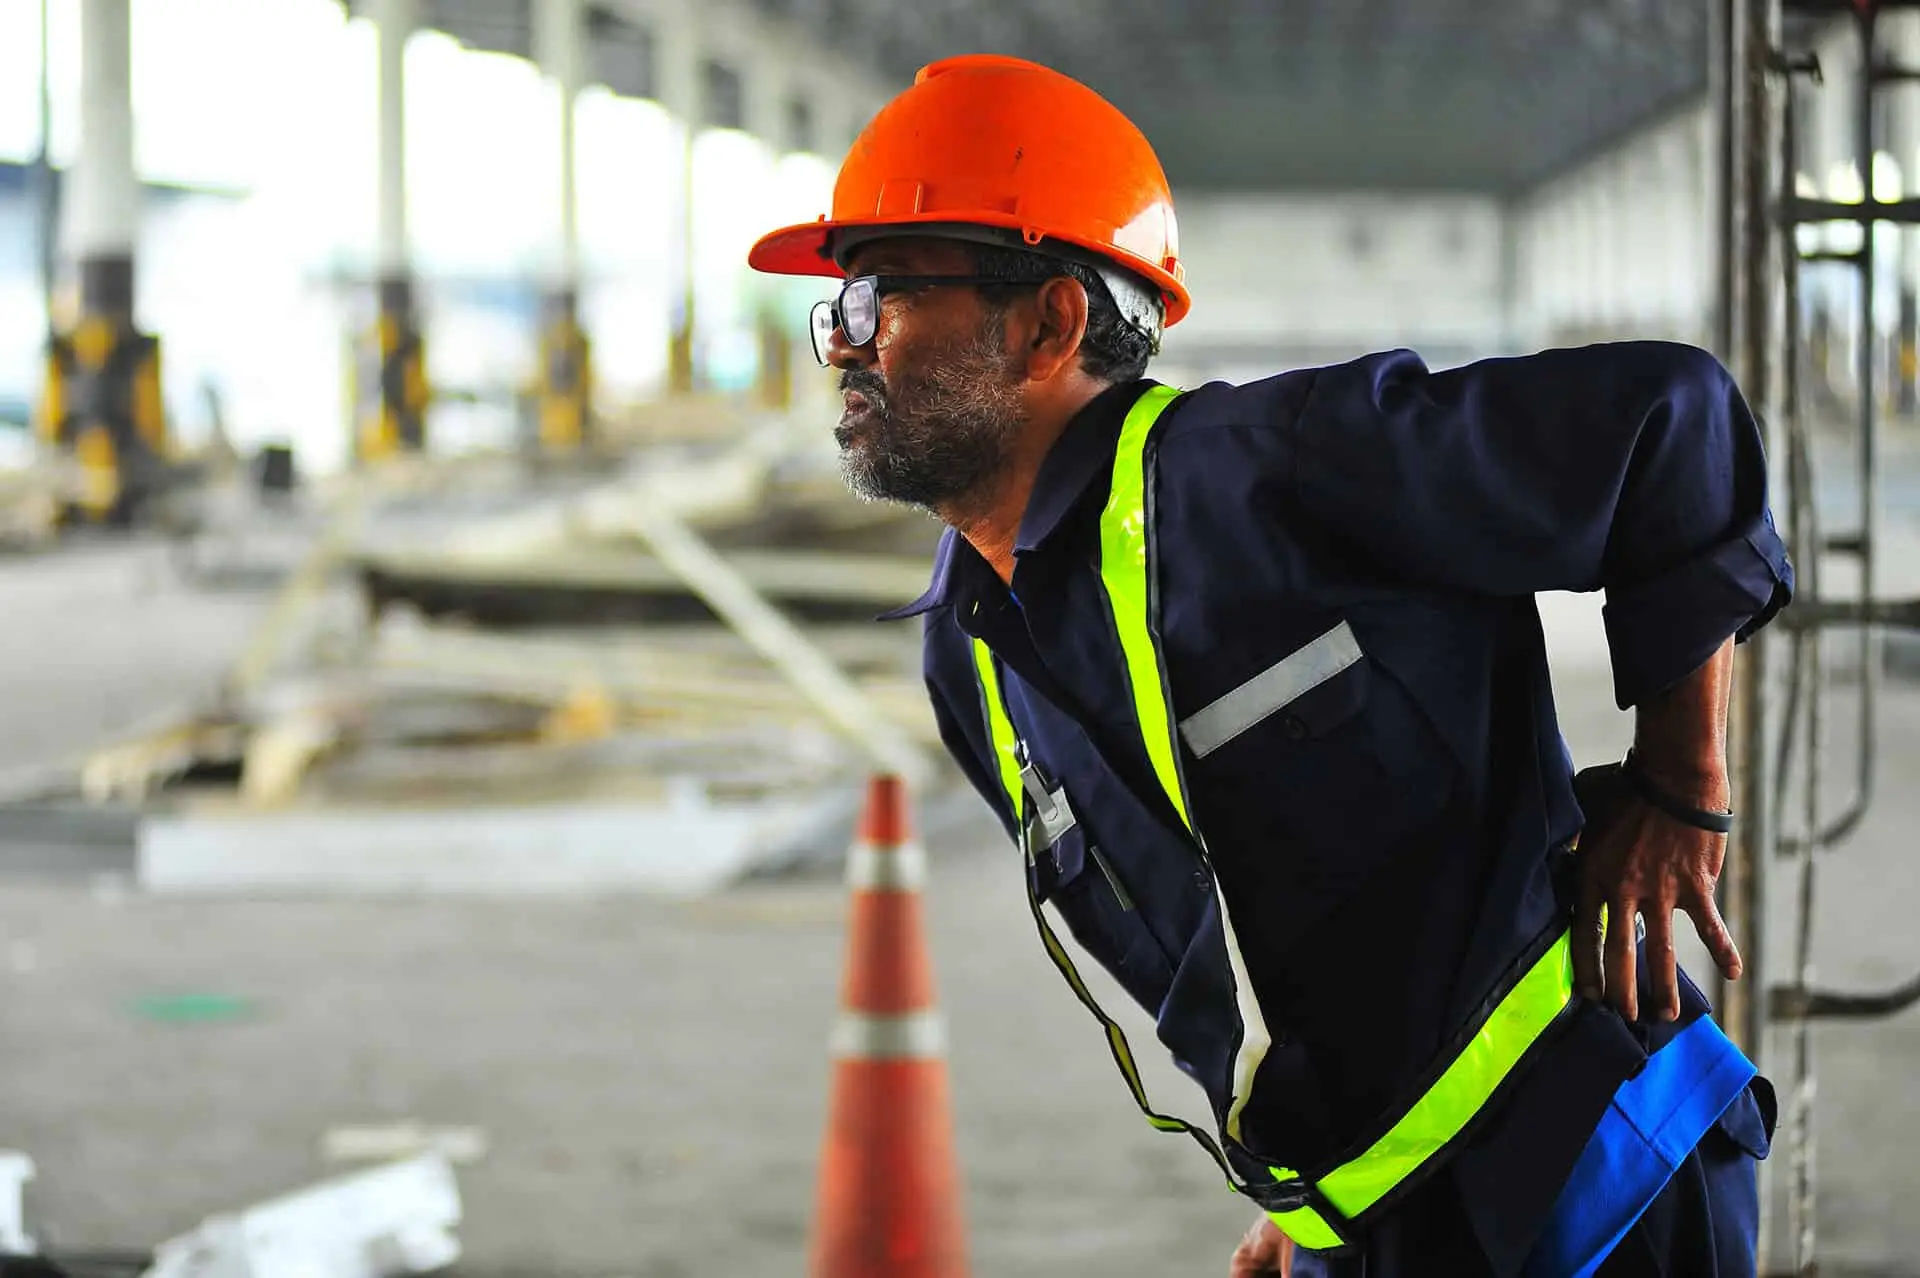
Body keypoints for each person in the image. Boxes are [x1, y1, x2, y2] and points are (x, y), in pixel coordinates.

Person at [748, 53, 1792, 1278]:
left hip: (1592, 1168)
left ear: (1050, 322)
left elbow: (1674, 424)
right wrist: (1310, 1192)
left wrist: (1680, 783)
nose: (842, 349)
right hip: (1368, 1229)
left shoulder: (1268, 473)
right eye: (837, 310)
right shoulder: (968, 661)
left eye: (881, 300)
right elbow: (1211, 940)